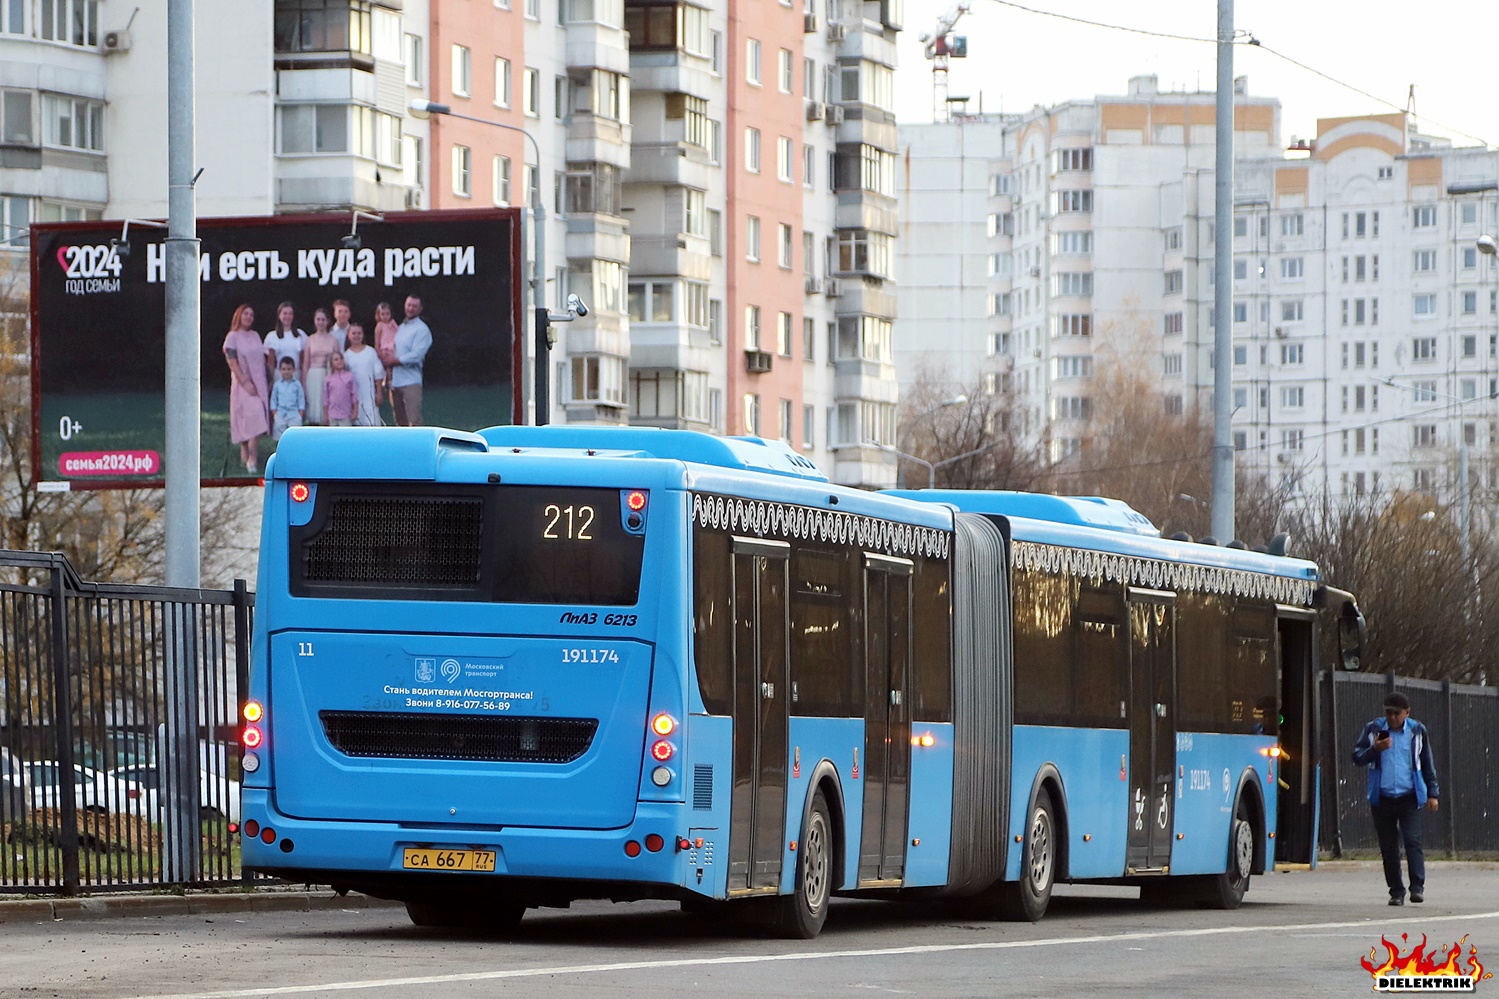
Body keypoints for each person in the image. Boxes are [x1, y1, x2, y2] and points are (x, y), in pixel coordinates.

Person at [1351, 691, 1440, 906]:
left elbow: (1426, 763)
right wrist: (1375, 750)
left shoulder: (1417, 731)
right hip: (1382, 797)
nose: (1392, 718)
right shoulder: (1374, 729)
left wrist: (1432, 793)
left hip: (1409, 796)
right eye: (1388, 713)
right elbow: (1357, 756)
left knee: (1412, 841)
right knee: (1389, 846)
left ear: (1407, 713)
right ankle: (1396, 891)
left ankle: (1417, 887)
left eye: (1396, 714)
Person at [222, 304, 269, 473]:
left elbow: (263, 358)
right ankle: (248, 458)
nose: (249, 317)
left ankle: (250, 457)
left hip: (259, 382)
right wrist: (245, 381)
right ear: (239, 316)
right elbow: (232, 362)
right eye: (246, 314)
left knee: (257, 417)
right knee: (245, 417)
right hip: (242, 384)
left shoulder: (255, 336)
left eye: (251, 314)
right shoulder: (232, 337)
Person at [382, 294, 432, 427]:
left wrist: (395, 360)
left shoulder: (422, 329)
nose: (411, 308)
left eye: (414, 306)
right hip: (395, 382)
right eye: (409, 305)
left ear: (420, 309)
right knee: (400, 422)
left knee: (414, 421)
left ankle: (418, 448)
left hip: (411, 382)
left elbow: (417, 355)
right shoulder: (401, 328)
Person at [301, 307, 338, 426]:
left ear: (328, 322)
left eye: (323, 319)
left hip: (328, 375)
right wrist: (304, 383)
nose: (320, 322)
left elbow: (338, 362)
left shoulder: (333, 340)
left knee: (327, 406)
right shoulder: (310, 339)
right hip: (313, 376)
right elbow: (305, 364)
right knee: (314, 408)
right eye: (318, 319)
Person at [343, 323, 383, 427]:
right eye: (353, 333)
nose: (356, 336)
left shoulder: (370, 352)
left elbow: (378, 373)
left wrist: (379, 392)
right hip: (354, 394)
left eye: (359, 333)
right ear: (348, 335)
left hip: (369, 393)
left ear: (363, 335)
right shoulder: (346, 355)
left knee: (372, 422)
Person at [263, 302, 307, 380]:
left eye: (290, 314)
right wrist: (270, 380)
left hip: (296, 375)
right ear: (279, 315)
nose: (288, 316)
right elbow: (270, 363)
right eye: (285, 313)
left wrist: (303, 378)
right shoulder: (272, 336)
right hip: (279, 376)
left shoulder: (301, 334)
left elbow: (303, 360)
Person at [267, 356, 306, 440]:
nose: (286, 372)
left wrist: (300, 413)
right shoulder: (277, 385)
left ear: (293, 370)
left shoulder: (297, 384)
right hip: (280, 414)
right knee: (280, 436)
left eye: (289, 369)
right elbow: (273, 399)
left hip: (294, 414)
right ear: (280, 370)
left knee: (295, 436)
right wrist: (275, 413)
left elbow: (301, 399)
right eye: (284, 369)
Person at [372, 300, 399, 417]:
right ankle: (386, 383)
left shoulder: (393, 324)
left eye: (387, 314)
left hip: (394, 350)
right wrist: (380, 354)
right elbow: (377, 343)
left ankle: (392, 385)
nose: (385, 316)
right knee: (387, 370)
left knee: (394, 371)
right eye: (382, 314)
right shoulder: (379, 326)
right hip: (385, 350)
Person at [322, 350, 359, 426]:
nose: (339, 361)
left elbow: (354, 395)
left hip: (346, 414)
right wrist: (326, 415)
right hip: (332, 414)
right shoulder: (328, 379)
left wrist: (355, 411)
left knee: (345, 436)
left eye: (341, 358)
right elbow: (326, 398)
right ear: (331, 363)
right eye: (336, 359)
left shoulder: (349, 376)